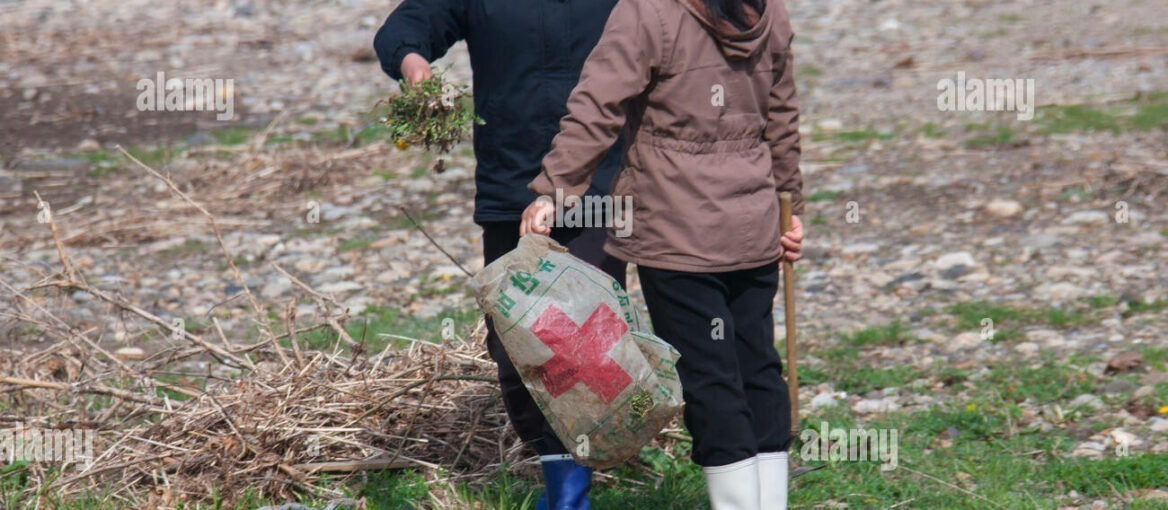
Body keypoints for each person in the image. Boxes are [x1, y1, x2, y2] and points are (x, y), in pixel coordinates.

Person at [519, 0, 805, 508]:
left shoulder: (647, 11)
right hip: (754, 220)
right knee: (757, 366)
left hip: (678, 231)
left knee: (710, 378)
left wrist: (554, 191)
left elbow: (596, 106)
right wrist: (789, 205)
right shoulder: (767, 9)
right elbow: (781, 116)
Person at [373, 2, 627, 509]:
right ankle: (560, 476)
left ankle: (572, 494)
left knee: (585, 346)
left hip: (600, 187)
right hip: (512, 186)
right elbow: (408, 25)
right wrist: (413, 64)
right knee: (516, 348)